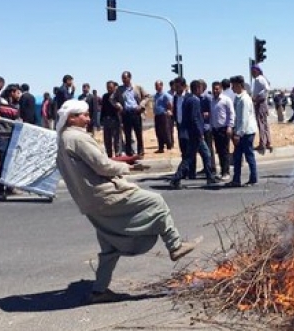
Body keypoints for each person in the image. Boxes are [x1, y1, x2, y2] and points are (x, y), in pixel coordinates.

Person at [55, 99, 197, 303]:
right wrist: (125, 168)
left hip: (89, 202)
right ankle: (175, 245)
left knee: (109, 245)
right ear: (71, 118)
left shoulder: (62, 140)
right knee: (155, 201)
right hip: (105, 195)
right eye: (84, 115)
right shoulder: (77, 138)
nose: (88, 118)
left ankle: (99, 290)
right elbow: (102, 166)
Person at [169, 80, 218, 189]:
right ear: (197, 89)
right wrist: (199, 133)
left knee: (205, 154)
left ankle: (210, 177)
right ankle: (176, 178)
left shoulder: (187, 99)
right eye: (201, 88)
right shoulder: (194, 100)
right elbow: (194, 118)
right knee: (190, 157)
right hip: (195, 134)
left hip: (191, 133)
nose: (202, 90)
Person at [226, 75, 258, 187]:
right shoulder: (238, 98)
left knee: (249, 156)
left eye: (233, 85)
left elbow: (244, 119)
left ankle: (253, 179)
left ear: (239, 85)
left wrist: (238, 134)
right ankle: (236, 179)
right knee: (237, 157)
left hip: (246, 132)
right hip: (240, 132)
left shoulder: (245, 99)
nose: (232, 88)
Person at [113, 71, 149, 158]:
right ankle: (129, 153)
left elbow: (147, 96)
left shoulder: (137, 87)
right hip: (126, 113)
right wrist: (118, 105)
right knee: (127, 134)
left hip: (136, 112)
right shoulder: (119, 89)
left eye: (125, 78)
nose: (124, 80)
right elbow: (112, 99)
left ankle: (140, 151)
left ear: (130, 78)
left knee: (138, 133)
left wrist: (141, 105)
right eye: (122, 78)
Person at [210, 80, 235, 180]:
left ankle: (226, 172)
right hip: (215, 129)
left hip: (224, 129)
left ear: (220, 89)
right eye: (214, 89)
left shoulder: (226, 100)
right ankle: (222, 171)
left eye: (217, 89)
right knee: (219, 151)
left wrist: (230, 126)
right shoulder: (212, 101)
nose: (215, 91)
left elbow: (231, 114)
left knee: (225, 151)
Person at [250, 64, 271, 154]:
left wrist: (257, 98)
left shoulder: (259, 79)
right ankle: (268, 142)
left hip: (260, 104)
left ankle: (263, 143)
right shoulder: (259, 79)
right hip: (261, 103)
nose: (252, 73)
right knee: (264, 124)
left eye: (253, 71)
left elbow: (266, 89)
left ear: (257, 71)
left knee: (261, 124)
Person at [100, 81, 123, 156]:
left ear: (114, 87)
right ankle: (109, 154)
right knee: (107, 139)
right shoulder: (105, 96)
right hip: (106, 120)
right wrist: (101, 119)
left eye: (110, 87)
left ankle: (118, 153)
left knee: (117, 138)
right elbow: (103, 108)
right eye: (107, 87)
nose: (109, 89)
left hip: (115, 119)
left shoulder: (118, 96)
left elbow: (121, 107)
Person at [153, 80, 173, 153]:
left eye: (157, 85)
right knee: (158, 132)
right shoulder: (155, 95)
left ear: (161, 85)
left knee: (166, 131)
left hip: (164, 115)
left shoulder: (165, 95)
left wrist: (169, 111)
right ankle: (160, 147)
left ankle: (169, 146)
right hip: (157, 115)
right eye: (155, 85)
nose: (156, 87)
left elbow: (170, 104)